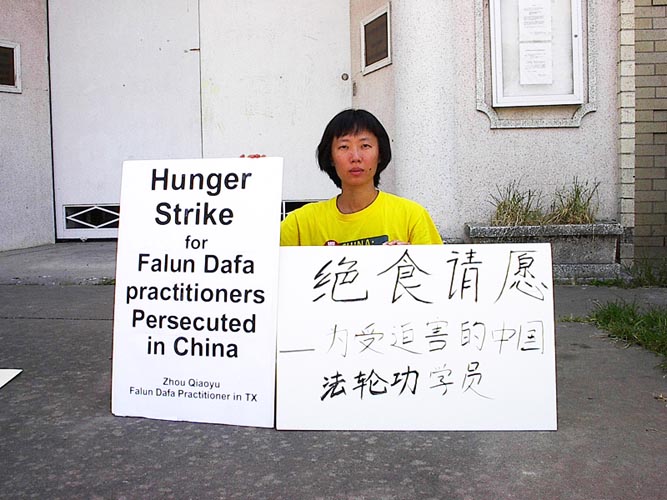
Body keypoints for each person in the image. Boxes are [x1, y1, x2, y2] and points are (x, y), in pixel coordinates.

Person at [280, 109, 442, 246]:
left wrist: (411, 258)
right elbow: (265, 262)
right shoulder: (300, 223)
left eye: (365, 146)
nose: (355, 157)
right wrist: (263, 175)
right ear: (330, 157)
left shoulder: (412, 216)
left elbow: (438, 271)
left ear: (380, 153)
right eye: (344, 147)